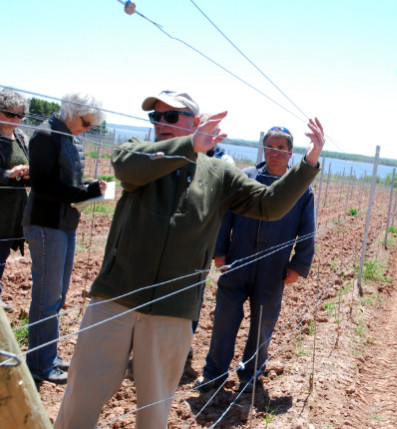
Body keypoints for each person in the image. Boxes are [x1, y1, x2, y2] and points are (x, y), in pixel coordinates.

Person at [55, 90, 325, 429]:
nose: (161, 123)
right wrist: (188, 146)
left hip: (173, 311)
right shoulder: (139, 152)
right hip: (114, 299)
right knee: (80, 400)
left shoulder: (219, 173)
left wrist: (309, 162)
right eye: (157, 117)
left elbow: (270, 205)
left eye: (171, 117)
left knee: (153, 410)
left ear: (195, 122)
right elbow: (127, 168)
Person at [194, 126, 315, 393]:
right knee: (225, 317)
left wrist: (298, 265)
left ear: (290, 152)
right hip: (238, 260)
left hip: (274, 268)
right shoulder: (245, 177)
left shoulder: (301, 189)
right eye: (270, 147)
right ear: (264, 149)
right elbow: (224, 216)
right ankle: (214, 373)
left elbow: (308, 230)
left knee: (263, 323)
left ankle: (251, 373)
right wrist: (219, 251)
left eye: (281, 148)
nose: (275, 152)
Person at [22, 92, 107, 384]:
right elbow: (44, 186)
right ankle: (40, 365)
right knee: (47, 298)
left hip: (65, 224)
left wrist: (90, 187)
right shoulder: (46, 135)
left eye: (91, 126)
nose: (87, 129)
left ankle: (46, 357)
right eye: (85, 122)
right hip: (46, 225)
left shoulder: (71, 137)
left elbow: (68, 183)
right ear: (71, 112)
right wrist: (85, 194)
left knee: (56, 296)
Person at [0, 89, 30, 312]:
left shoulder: (21, 138)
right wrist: (8, 174)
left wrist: (27, 173)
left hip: (13, 210)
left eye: (21, 116)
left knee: (2, 254)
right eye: (12, 114)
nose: (17, 120)